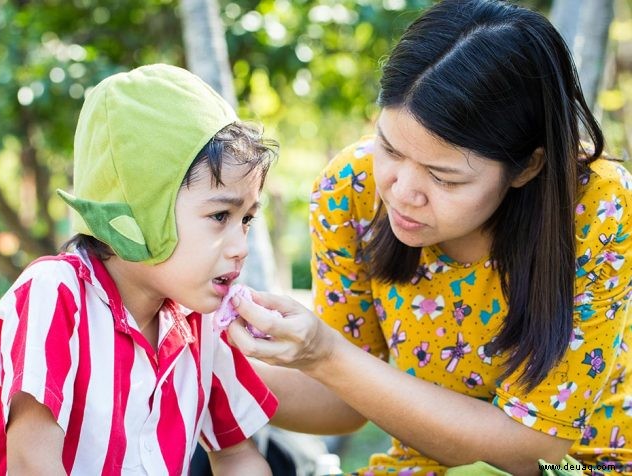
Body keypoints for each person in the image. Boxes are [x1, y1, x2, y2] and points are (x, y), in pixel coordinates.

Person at [226, 1, 632, 475]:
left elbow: (532, 452)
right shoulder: (351, 190)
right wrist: (201, 368)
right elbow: (344, 402)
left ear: (528, 166)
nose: (402, 191)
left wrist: (327, 354)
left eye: (444, 179)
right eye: (390, 148)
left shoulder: (596, 208)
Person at [0, 64, 279, 475]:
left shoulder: (199, 323)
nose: (240, 247)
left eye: (246, 220)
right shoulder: (55, 293)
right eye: (220, 216)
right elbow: (33, 463)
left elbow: (236, 456)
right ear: (141, 208)